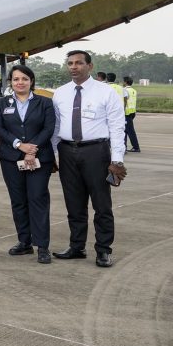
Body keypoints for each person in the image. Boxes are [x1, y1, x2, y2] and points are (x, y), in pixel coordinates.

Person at [51, 50, 126, 268]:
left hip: (96, 152)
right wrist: (53, 154)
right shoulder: (60, 93)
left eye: (79, 63)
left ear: (90, 66)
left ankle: (103, 250)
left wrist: (117, 160)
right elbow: (56, 126)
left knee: (101, 204)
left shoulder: (106, 92)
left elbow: (117, 126)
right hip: (67, 151)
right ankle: (77, 247)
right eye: (70, 63)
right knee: (74, 203)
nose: (74, 67)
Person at [0, 64, 55, 264]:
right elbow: (0, 129)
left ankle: (42, 246)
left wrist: (32, 148)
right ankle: (24, 242)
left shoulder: (45, 103)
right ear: (10, 82)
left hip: (39, 158)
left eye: (24, 79)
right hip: (11, 158)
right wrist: (20, 145)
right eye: (16, 79)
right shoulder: (2, 103)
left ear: (31, 81)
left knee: (37, 198)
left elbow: (49, 128)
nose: (20, 82)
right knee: (18, 200)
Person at [123, 76, 140, 152]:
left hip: (127, 113)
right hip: (132, 112)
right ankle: (124, 146)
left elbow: (124, 101)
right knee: (125, 130)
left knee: (130, 131)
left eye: (123, 81)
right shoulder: (134, 90)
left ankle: (136, 147)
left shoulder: (125, 90)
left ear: (125, 82)